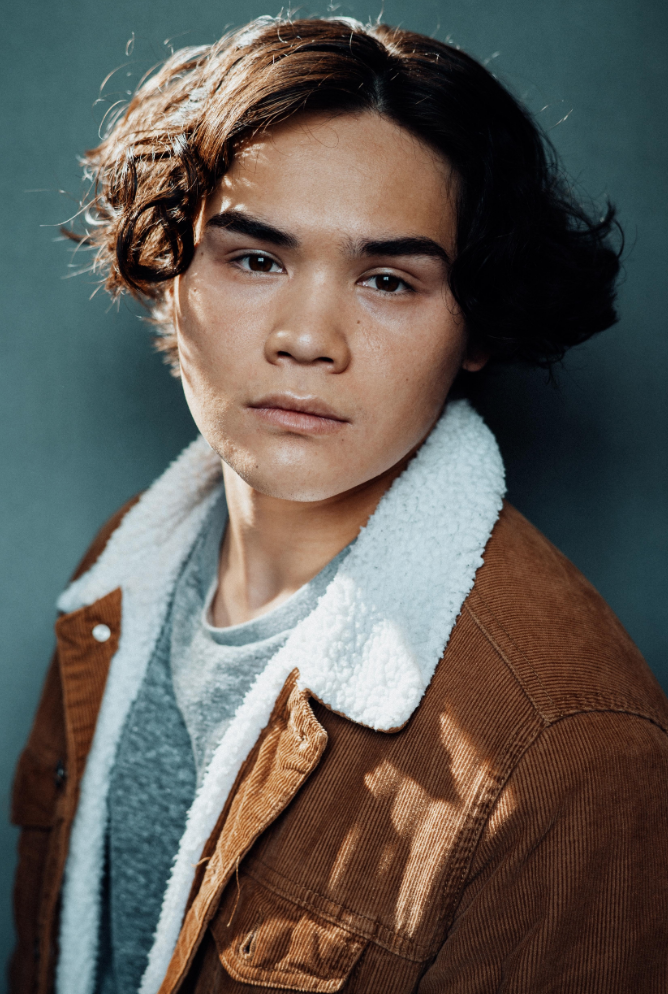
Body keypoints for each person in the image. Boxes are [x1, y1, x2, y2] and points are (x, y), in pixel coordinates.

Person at [10, 15, 668, 994]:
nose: (309, 337)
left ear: (477, 325)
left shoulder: (570, 742)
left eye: (388, 280)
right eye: (256, 259)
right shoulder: (121, 576)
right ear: (169, 271)